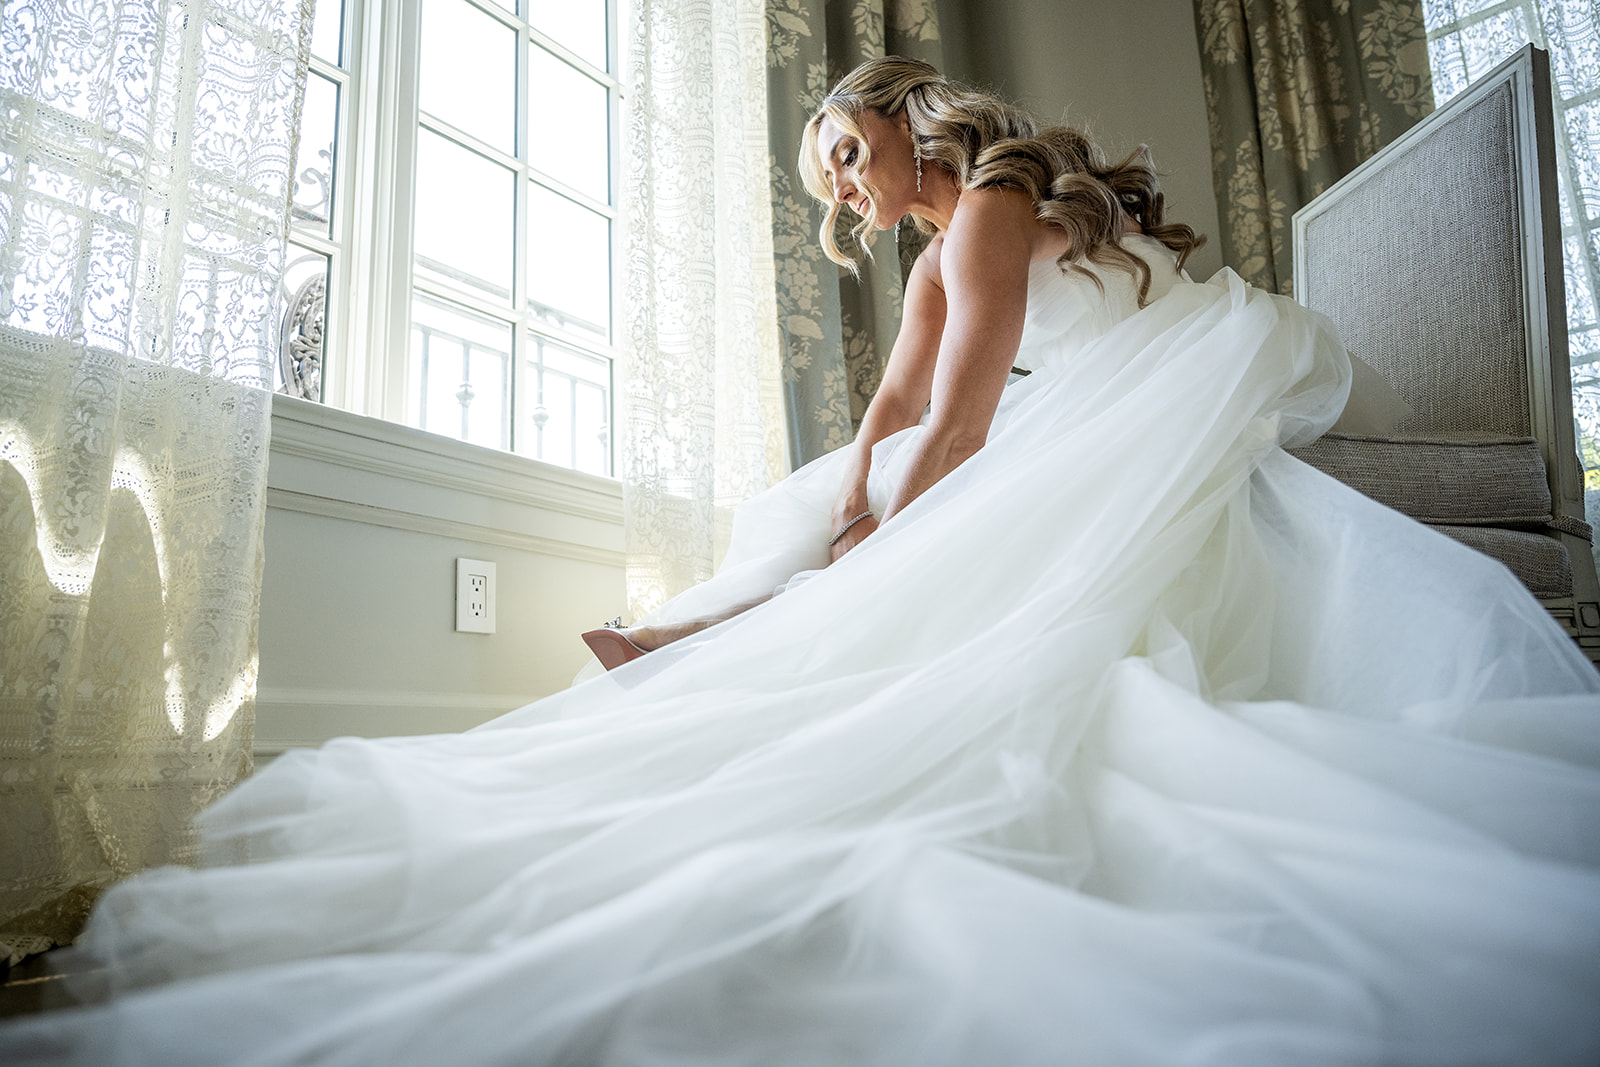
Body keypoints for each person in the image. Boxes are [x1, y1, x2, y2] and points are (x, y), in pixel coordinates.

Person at [9, 57, 1600, 1066]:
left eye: (839, 149)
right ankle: (713, 625)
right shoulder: (942, 241)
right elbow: (899, 406)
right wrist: (834, 524)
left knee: (901, 519)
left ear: (901, 112)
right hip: (1051, 408)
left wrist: (868, 564)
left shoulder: (987, 206)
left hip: (1152, 400)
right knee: (833, 487)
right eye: (826, 184)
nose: (841, 188)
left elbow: (965, 429)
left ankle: (729, 639)